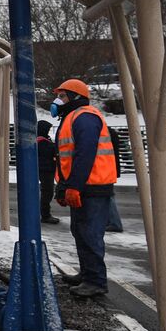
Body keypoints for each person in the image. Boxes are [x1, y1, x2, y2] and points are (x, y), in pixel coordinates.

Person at [52, 78, 118, 298]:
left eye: (62, 96)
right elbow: (67, 157)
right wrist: (64, 186)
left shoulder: (85, 117)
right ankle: (88, 273)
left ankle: (96, 281)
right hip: (84, 186)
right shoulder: (73, 117)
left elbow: (85, 154)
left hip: (92, 187)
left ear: (76, 98)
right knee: (80, 231)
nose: (58, 100)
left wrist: (74, 186)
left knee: (89, 233)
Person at [37, 119, 60, 224]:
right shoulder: (43, 143)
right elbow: (52, 152)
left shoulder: (40, 141)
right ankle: (45, 215)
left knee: (46, 192)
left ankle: (43, 213)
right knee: (47, 192)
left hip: (44, 170)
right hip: (46, 170)